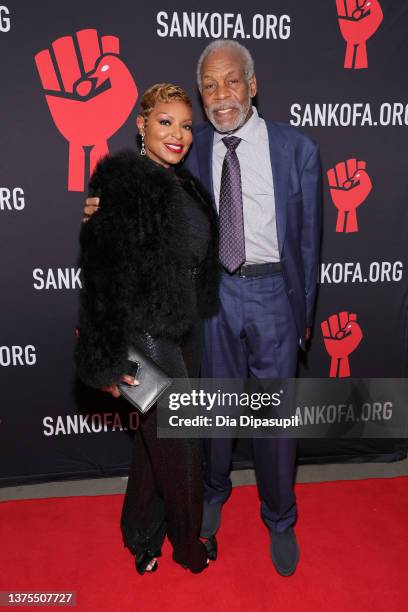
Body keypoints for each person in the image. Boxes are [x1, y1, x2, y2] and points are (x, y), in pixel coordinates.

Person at [84, 40, 322, 577]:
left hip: (273, 295)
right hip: (212, 301)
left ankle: (280, 517)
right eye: (210, 85)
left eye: (232, 81)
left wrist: (303, 312)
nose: (221, 95)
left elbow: (310, 242)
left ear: (252, 85)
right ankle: (212, 492)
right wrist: (102, 212)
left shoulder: (296, 149)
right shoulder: (193, 149)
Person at [76, 83, 220, 575]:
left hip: (187, 325)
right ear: (141, 123)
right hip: (146, 330)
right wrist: (106, 358)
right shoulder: (123, 182)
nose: (177, 134)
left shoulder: (186, 185)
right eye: (165, 122)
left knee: (156, 438)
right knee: (181, 442)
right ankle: (188, 543)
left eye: (185, 125)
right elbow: (101, 276)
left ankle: (139, 531)